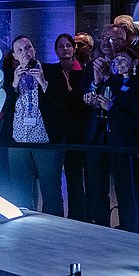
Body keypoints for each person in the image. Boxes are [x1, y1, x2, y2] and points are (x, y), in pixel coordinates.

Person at [2, 35, 65, 216]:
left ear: (34, 49)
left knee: (51, 191)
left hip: (45, 140)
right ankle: (25, 231)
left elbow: (62, 103)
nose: (25, 53)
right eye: (20, 50)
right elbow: (3, 107)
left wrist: (43, 82)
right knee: (21, 193)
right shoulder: (8, 75)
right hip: (18, 140)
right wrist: (14, 83)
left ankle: (54, 230)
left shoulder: (52, 70)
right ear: (14, 55)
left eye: (28, 48)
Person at [90, 45, 139, 233]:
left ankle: (134, 229)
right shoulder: (117, 83)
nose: (118, 63)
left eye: (123, 59)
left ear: (135, 62)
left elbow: (137, 119)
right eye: (116, 60)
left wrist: (111, 108)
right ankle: (125, 227)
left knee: (130, 191)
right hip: (116, 145)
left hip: (130, 146)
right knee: (121, 191)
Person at [43, 33, 87, 222]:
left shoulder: (84, 71)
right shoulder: (50, 71)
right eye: (61, 46)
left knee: (75, 176)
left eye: (68, 45)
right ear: (56, 50)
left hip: (77, 129)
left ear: (74, 48)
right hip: (57, 128)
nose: (65, 49)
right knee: (51, 178)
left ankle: (78, 215)